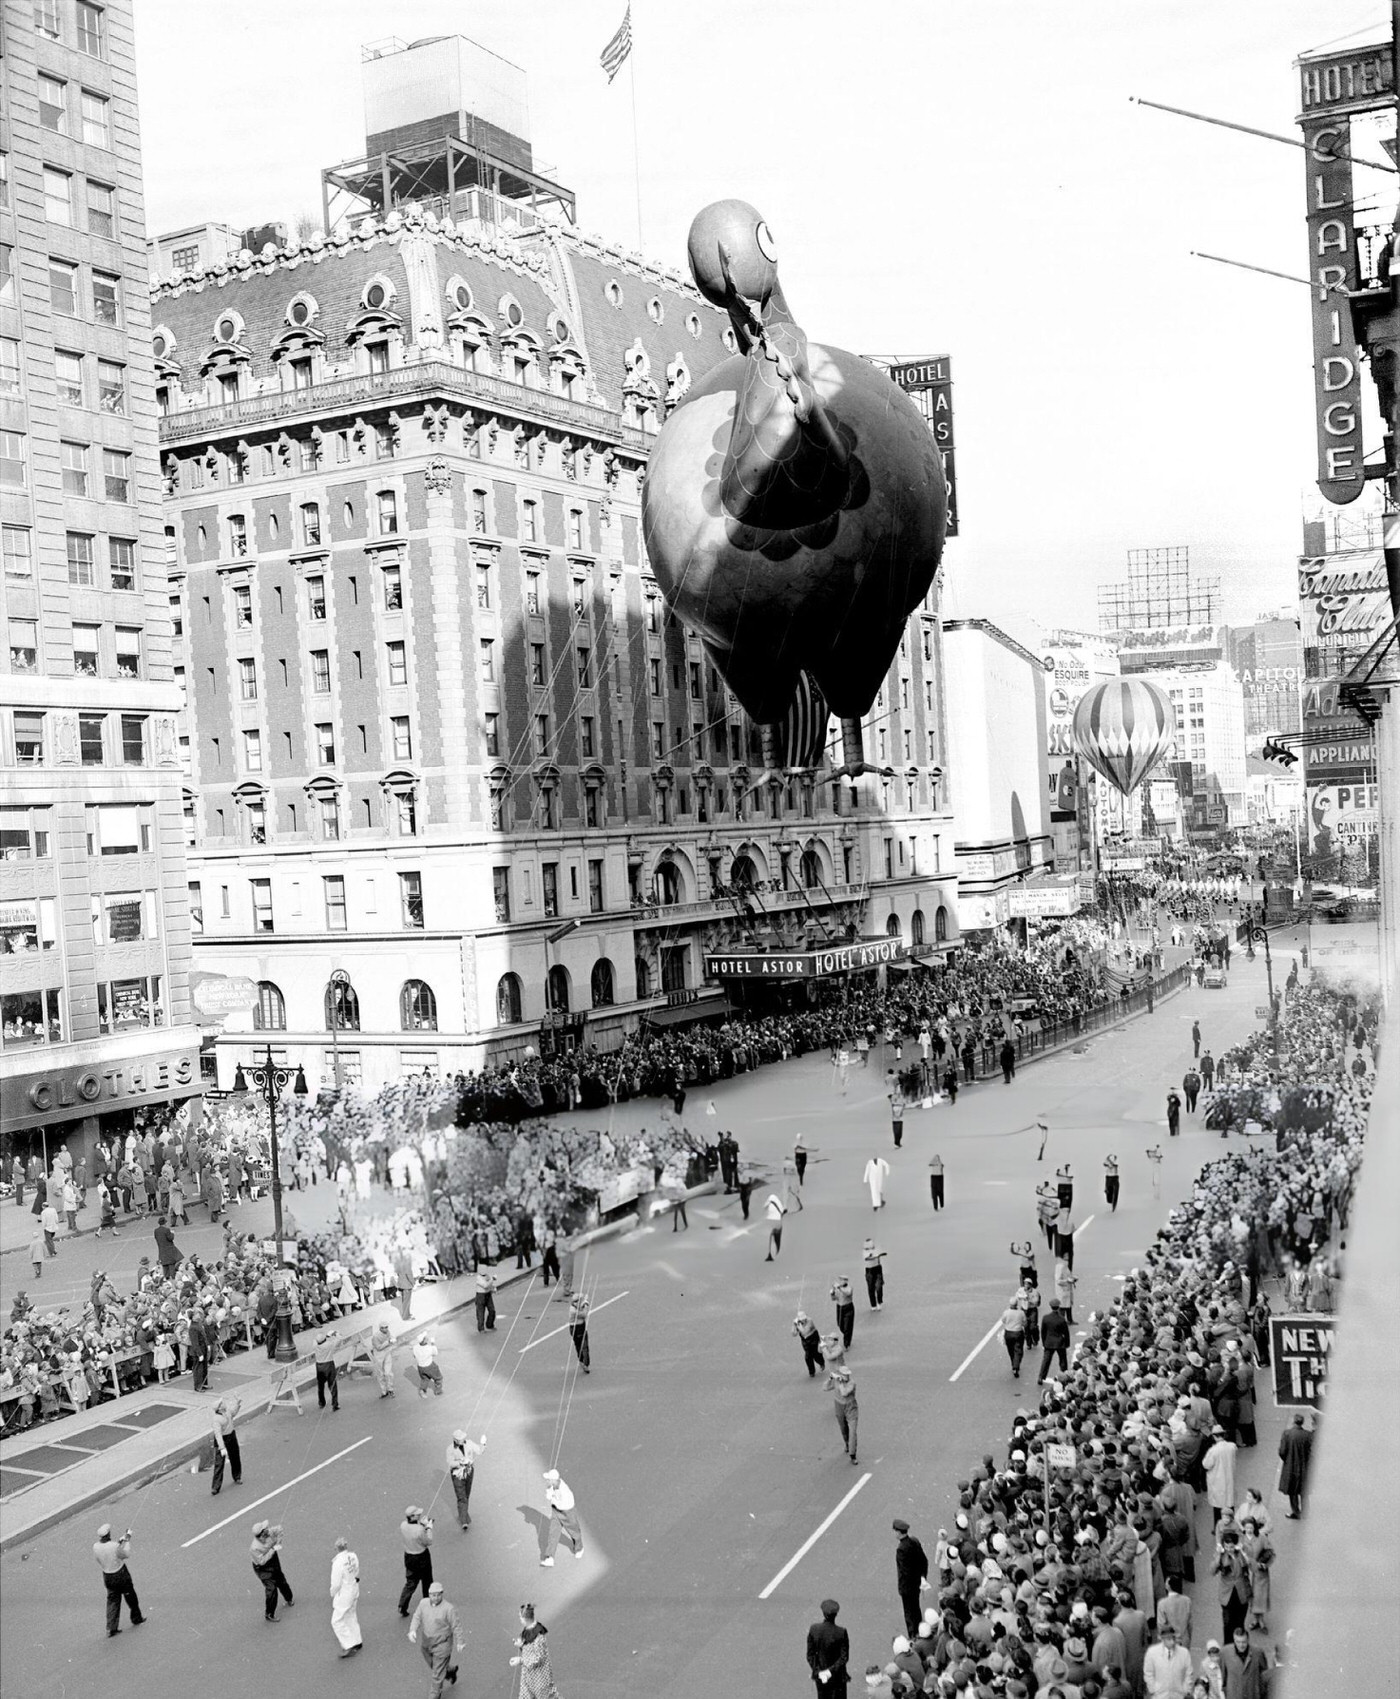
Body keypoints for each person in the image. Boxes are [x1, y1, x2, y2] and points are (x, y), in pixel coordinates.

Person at [407, 1580, 463, 1695]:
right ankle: (448, 1671)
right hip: (427, 1643)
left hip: (442, 1645)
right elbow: (417, 1616)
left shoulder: (448, 1609)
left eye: (438, 1595)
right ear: (429, 1594)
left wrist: (460, 1642)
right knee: (433, 1664)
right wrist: (412, 1630)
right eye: (433, 1595)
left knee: (436, 1674)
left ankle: (435, 1693)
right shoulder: (423, 1604)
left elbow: (456, 1626)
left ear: (442, 1594)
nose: (436, 1598)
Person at [94, 1523, 146, 1637]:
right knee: (130, 1595)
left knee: (112, 1600)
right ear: (108, 1534)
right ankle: (136, 1617)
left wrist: (119, 1541)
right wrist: (127, 1540)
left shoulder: (96, 1546)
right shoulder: (113, 1546)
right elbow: (125, 1554)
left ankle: (111, 1627)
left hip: (107, 1576)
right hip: (120, 1573)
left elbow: (108, 1550)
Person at [510, 1602, 560, 1699]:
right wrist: (521, 1645)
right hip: (528, 1676)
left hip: (540, 1676)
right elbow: (528, 1648)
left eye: (520, 1617)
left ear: (525, 1619)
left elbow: (538, 1658)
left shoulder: (539, 1635)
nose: (520, 1620)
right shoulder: (527, 1630)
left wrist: (521, 1660)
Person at [250, 1520, 294, 1622]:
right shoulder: (254, 1548)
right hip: (263, 1568)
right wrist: (273, 1549)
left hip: (273, 1561)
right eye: (265, 1530)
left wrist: (279, 1541)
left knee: (281, 1580)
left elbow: (280, 1530)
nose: (268, 1530)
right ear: (261, 1534)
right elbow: (261, 1561)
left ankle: (289, 1598)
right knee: (271, 1588)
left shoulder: (269, 1532)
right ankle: (269, 1614)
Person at [892, 1519, 929, 1638]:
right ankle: (920, 1631)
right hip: (917, 1583)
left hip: (907, 1587)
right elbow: (924, 1561)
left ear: (899, 1532)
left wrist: (901, 1587)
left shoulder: (901, 1549)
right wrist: (923, 1577)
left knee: (909, 1613)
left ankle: (913, 1636)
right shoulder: (914, 1542)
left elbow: (904, 1572)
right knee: (916, 1609)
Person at [806, 1598, 850, 1694]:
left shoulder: (814, 1629)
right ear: (836, 1614)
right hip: (837, 1677)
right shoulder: (841, 1632)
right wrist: (830, 1671)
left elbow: (810, 1655)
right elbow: (844, 1657)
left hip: (821, 1675)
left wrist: (819, 1671)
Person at [541, 1468, 583, 1564]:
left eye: (549, 1479)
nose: (547, 1481)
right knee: (553, 1533)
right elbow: (550, 1496)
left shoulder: (564, 1491)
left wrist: (552, 1499)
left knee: (574, 1531)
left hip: (567, 1511)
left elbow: (562, 1504)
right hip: (556, 1510)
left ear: (554, 1480)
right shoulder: (553, 1485)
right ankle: (550, 1557)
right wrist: (549, 1492)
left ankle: (579, 1548)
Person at [397, 1507, 435, 1614]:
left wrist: (421, 1524)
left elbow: (414, 1531)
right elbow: (428, 1541)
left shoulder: (403, 1525)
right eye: (417, 1514)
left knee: (411, 1582)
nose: (419, 1515)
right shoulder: (419, 1530)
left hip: (409, 1556)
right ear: (412, 1516)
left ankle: (402, 1605)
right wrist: (428, 1528)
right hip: (421, 1556)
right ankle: (428, 1603)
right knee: (427, 1580)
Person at [446, 1429, 485, 1530]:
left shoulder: (470, 1443)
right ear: (455, 1440)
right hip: (457, 1474)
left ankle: (463, 1514)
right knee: (461, 1496)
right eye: (460, 1439)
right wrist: (460, 1462)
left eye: (463, 1438)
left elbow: (479, 1451)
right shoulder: (450, 1449)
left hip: (469, 1472)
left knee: (466, 1494)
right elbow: (450, 1462)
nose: (463, 1440)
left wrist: (483, 1443)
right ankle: (464, 1520)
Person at [329, 1537, 362, 1658]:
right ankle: (357, 1640)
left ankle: (349, 1644)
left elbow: (336, 1583)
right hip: (354, 1587)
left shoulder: (337, 1562)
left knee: (336, 1621)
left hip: (344, 1592)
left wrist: (333, 1593)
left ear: (336, 1548)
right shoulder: (353, 1556)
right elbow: (356, 1570)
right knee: (351, 1615)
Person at [1143, 1620, 1193, 1698]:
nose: (1172, 1642)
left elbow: (1189, 1673)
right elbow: (1148, 1673)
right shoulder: (1152, 1653)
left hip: (1178, 1695)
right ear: (1162, 1639)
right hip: (1160, 1695)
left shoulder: (1184, 1653)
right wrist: (1153, 1689)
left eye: (1173, 1638)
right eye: (1169, 1639)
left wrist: (1186, 1690)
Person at [1220, 1625, 1270, 1699]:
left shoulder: (1258, 1653)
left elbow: (1264, 1675)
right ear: (1234, 1640)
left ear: (1248, 1640)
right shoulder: (1225, 1652)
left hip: (1252, 1695)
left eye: (1244, 1642)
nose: (1241, 1645)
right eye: (1238, 1642)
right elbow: (1223, 1676)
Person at [1277, 1413, 1312, 1518]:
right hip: (1303, 1466)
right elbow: (1310, 1452)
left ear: (1293, 1421)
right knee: (1303, 1489)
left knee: (1292, 1491)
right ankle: (1306, 1511)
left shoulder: (1287, 1434)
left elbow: (1282, 1451)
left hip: (1290, 1465)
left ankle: (1296, 1511)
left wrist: (1286, 1460)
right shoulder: (1307, 1435)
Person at [824, 1363, 859, 1463]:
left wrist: (840, 1383)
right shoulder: (836, 1381)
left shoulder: (851, 1383)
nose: (846, 1376)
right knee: (843, 1428)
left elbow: (844, 1393)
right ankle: (847, 1443)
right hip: (839, 1405)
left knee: (852, 1431)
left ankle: (853, 1455)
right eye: (844, 1374)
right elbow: (825, 1388)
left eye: (847, 1374)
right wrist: (830, 1378)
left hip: (851, 1407)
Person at [1203, 1426, 1237, 1527]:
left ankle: (1218, 1527)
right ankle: (1231, 1524)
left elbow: (1206, 1464)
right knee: (1230, 1503)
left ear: (1214, 1436)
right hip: (1229, 1479)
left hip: (1217, 1481)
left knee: (1218, 1507)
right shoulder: (1232, 1447)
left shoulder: (1213, 1450)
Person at [209, 1396, 243, 1495]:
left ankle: (237, 1476)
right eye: (222, 1403)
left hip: (231, 1436)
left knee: (235, 1457)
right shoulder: (216, 1419)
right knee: (219, 1464)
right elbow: (218, 1435)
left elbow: (233, 1413)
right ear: (219, 1408)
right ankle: (215, 1487)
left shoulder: (227, 1412)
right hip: (223, 1440)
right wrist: (222, 1447)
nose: (224, 1403)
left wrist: (237, 1403)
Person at [1038, 1298, 1070, 1383]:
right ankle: (1064, 1376)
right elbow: (1066, 1333)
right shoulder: (1062, 1319)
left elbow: (1043, 1332)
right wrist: (1067, 1344)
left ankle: (1041, 1377)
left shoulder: (1046, 1318)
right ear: (1058, 1307)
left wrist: (1044, 1343)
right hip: (1060, 1342)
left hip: (1049, 1342)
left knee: (1046, 1361)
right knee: (1063, 1361)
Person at [793, 1310, 825, 1377]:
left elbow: (805, 1332)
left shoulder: (810, 1321)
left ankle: (821, 1363)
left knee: (816, 1354)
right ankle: (811, 1371)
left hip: (813, 1338)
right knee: (808, 1356)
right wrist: (794, 1326)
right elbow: (794, 1334)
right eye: (802, 1319)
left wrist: (799, 1326)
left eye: (804, 1319)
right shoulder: (797, 1322)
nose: (803, 1320)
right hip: (805, 1341)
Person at [314, 1327, 340, 1411]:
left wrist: (325, 1337)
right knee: (332, 1385)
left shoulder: (315, 1345)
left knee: (320, 1386)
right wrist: (334, 1334)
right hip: (328, 1365)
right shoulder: (329, 1345)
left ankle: (321, 1402)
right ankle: (335, 1404)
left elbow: (315, 1340)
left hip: (319, 1366)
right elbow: (339, 1339)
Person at [1001, 1297, 1027, 1379]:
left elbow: (1003, 1321)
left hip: (1008, 1332)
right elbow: (1025, 1323)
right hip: (1018, 1332)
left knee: (1010, 1349)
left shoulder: (1006, 1312)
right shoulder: (1021, 1313)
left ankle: (1013, 1362)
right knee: (1018, 1350)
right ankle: (1016, 1366)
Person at [413, 1332, 443, 1397]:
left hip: (420, 1367)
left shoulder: (415, 1347)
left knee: (425, 1379)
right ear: (424, 1340)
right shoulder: (429, 1348)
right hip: (430, 1366)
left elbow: (414, 1356)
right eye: (426, 1337)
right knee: (438, 1378)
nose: (427, 1337)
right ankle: (438, 1391)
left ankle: (422, 1390)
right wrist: (433, 1344)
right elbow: (435, 1353)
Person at [370, 1321, 395, 1397]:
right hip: (379, 1356)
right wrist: (388, 1342)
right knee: (380, 1374)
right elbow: (378, 1347)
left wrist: (393, 1339)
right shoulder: (375, 1336)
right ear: (380, 1328)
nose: (385, 1329)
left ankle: (390, 1389)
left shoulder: (388, 1332)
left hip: (387, 1354)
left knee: (388, 1373)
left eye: (386, 1327)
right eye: (383, 1328)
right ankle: (384, 1391)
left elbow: (392, 1337)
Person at [829, 1276, 855, 1349]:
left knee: (847, 1326)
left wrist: (840, 1288)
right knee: (840, 1325)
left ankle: (846, 1344)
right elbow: (833, 1299)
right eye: (840, 1280)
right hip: (840, 1308)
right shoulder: (837, 1289)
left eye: (843, 1280)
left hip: (848, 1307)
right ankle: (847, 1335)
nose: (841, 1281)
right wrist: (832, 1293)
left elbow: (848, 1293)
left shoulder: (849, 1287)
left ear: (846, 1281)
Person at [568, 1292, 591, 1373]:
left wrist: (584, 1299)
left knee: (579, 1345)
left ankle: (582, 1361)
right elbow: (584, 1314)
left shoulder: (574, 1306)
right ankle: (585, 1363)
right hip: (578, 1328)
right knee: (583, 1346)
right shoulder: (574, 1311)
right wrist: (586, 1303)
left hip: (576, 1327)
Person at [862, 1238, 886, 1309]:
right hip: (869, 1269)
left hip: (877, 1268)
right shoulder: (864, 1251)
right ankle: (873, 1304)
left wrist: (878, 1255)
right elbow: (866, 1258)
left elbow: (878, 1255)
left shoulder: (876, 1249)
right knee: (870, 1287)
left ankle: (879, 1302)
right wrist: (872, 1255)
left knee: (879, 1286)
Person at [474, 1263, 497, 1332]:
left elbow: (489, 1285)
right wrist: (492, 1279)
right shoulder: (478, 1278)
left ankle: (489, 1324)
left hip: (488, 1294)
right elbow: (485, 1285)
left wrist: (493, 1289)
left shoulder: (487, 1276)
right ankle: (481, 1328)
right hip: (481, 1296)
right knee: (481, 1312)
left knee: (492, 1310)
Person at [764, 1190, 786, 1261]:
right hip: (778, 1221)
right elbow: (782, 1211)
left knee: (772, 1236)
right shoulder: (778, 1203)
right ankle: (777, 1250)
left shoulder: (768, 1202)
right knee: (777, 1237)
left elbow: (764, 1208)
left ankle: (770, 1254)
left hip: (771, 1221)